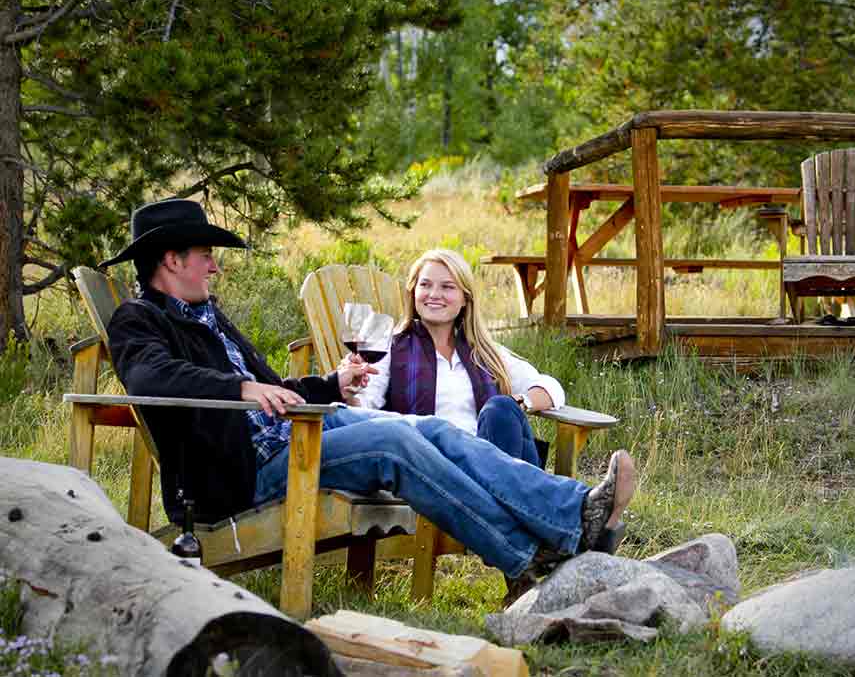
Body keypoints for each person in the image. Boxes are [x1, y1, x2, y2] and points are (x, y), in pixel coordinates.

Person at [101, 198, 636, 586]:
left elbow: (275, 390)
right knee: (393, 447)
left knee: (425, 429)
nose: (214, 265)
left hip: (297, 433)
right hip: (243, 471)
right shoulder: (138, 320)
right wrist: (239, 386)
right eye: (204, 255)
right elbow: (151, 378)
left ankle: (572, 512)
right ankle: (527, 555)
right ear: (172, 260)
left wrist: (329, 385)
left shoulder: (210, 316)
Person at [351, 249, 559, 468]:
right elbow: (363, 405)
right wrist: (351, 390)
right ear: (413, 292)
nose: (434, 294)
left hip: (490, 462)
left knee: (501, 408)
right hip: (431, 467)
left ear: (464, 299)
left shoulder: (484, 352)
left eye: (447, 287)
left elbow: (550, 387)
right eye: (425, 285)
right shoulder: (389, 348)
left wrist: (520, 401)